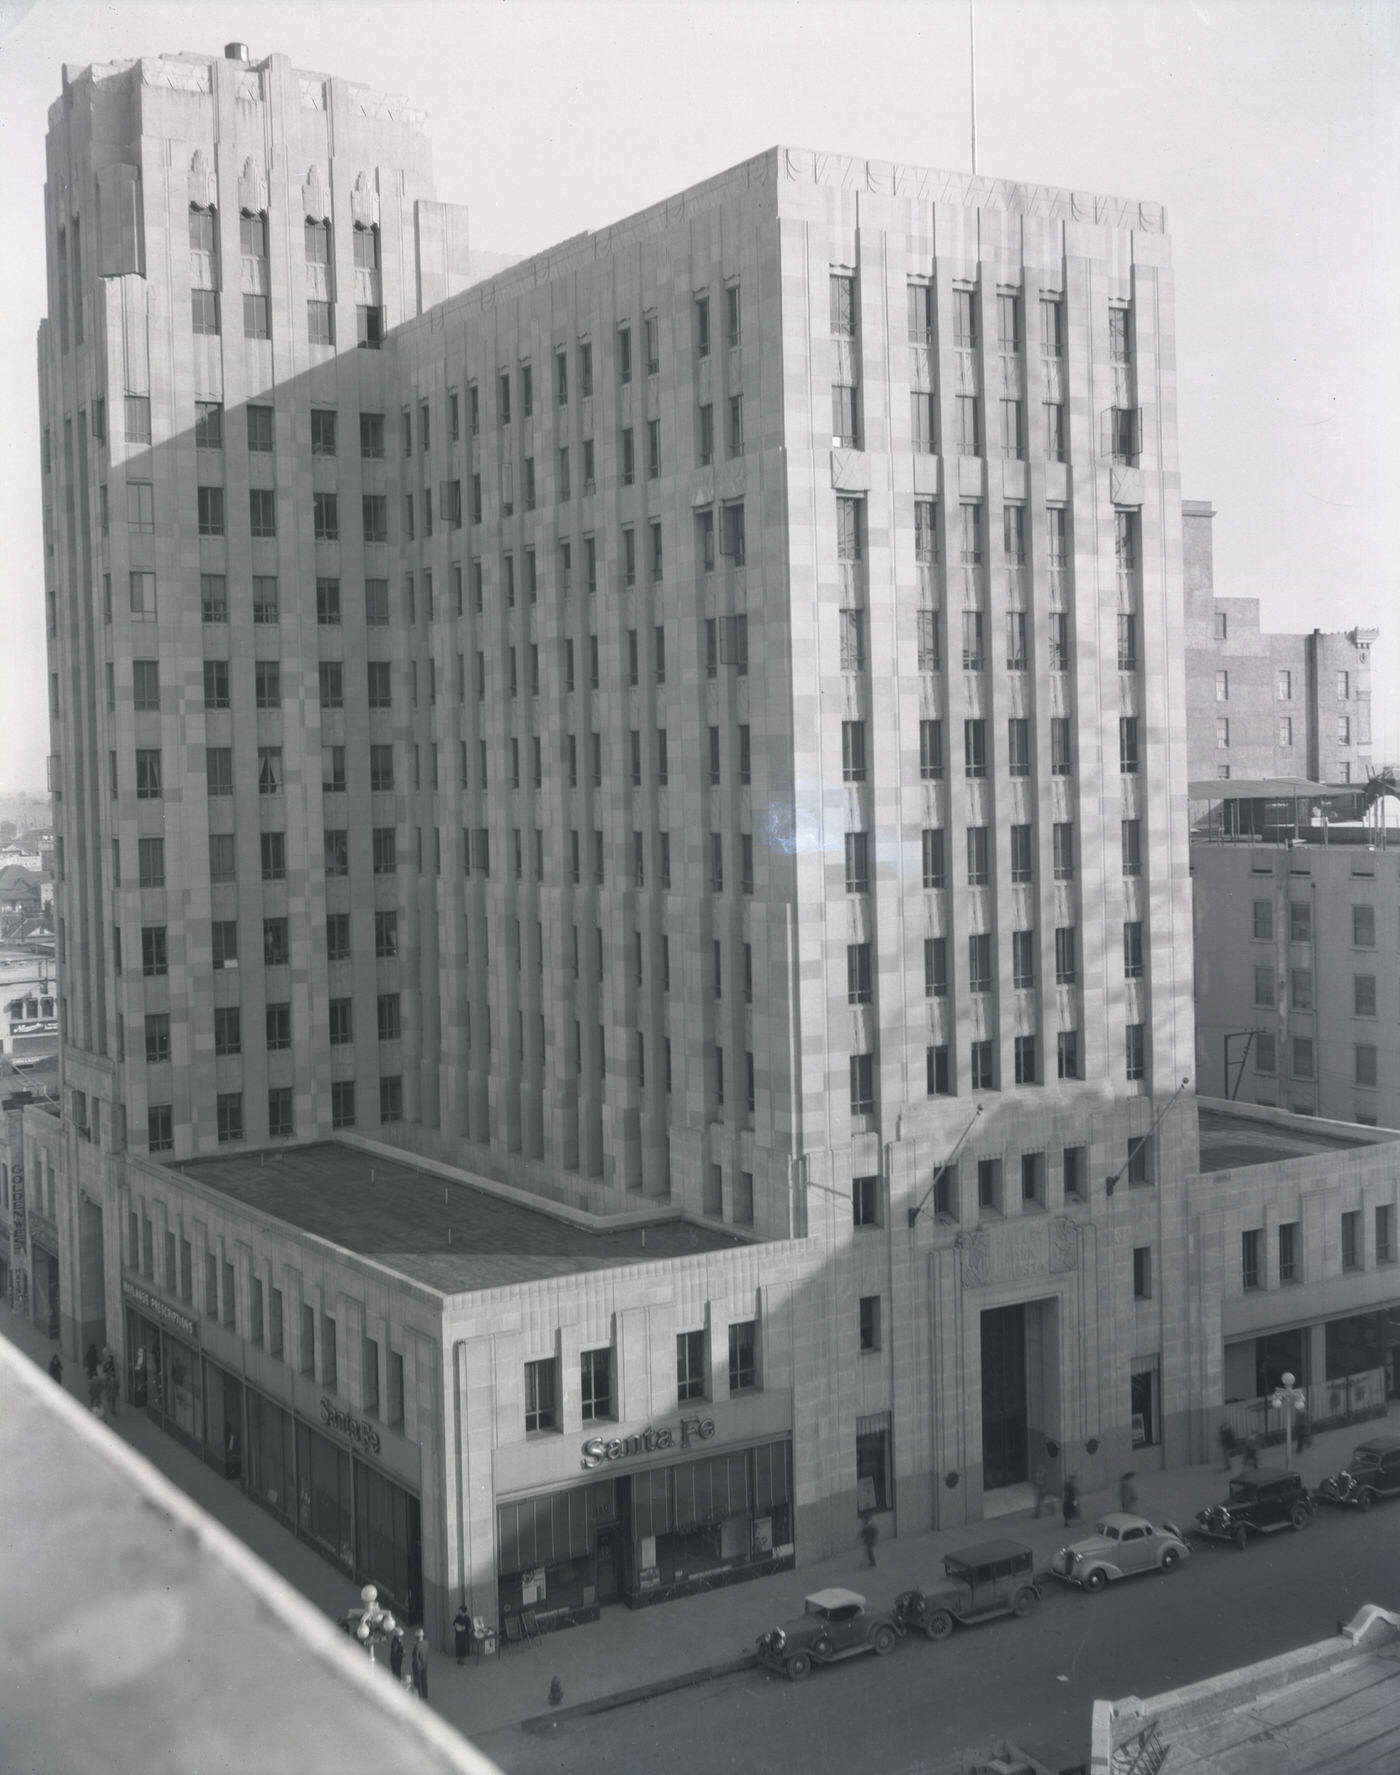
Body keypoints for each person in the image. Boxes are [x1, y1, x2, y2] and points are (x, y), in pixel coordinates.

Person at [453, 1602, 473, 1666]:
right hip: (458, 1635)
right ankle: (459, 1659)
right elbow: (454, 1623)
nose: (459, 1611)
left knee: (463, 1647)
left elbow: (469, 1626)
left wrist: (463, 1627)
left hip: (464, 1636)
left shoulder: (467, 1618)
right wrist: (456, 1625)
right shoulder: (458, 1616)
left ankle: (463, 1660)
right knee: (458, 1646)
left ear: (463, 1611)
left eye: (460, 1610)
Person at [411, 1628, 429, 1700]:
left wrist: (416, 1664)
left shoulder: (416, 1646)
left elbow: (415, 1657)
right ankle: (425, 1694)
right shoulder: (426, 1643)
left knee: (417, 1680)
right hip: (425, 1664)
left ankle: (419, 1695)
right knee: (424, 1678)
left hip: (418, 1666)